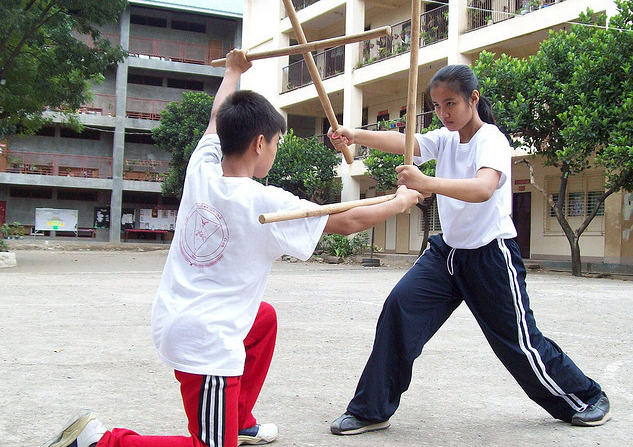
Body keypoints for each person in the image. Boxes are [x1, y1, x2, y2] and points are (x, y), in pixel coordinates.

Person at [41, 50, 422, 447]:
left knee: (263, 319)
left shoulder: (201, 166)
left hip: (179, 317)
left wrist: (232, 72)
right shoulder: (266, 203)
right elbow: (345, 222)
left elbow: (214, 118)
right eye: (276, 142)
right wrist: (399, 202)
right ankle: (101, 442)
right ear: (260, 143)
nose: (275, 149)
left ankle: (237, 419)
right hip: (206, 343)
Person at [327, 64, 611, 436]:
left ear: (473, 99)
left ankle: (585, 398)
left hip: (490, 256)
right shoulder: (445, 139)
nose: (444, 113)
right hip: (446, 255)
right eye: (437, 106)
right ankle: (371, 409)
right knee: (399, 309)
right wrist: (354, 135)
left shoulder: (490, 139)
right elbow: (407, 142)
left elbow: (482, 188)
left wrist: (427, 182)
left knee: (518, 343)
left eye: (451, 103)